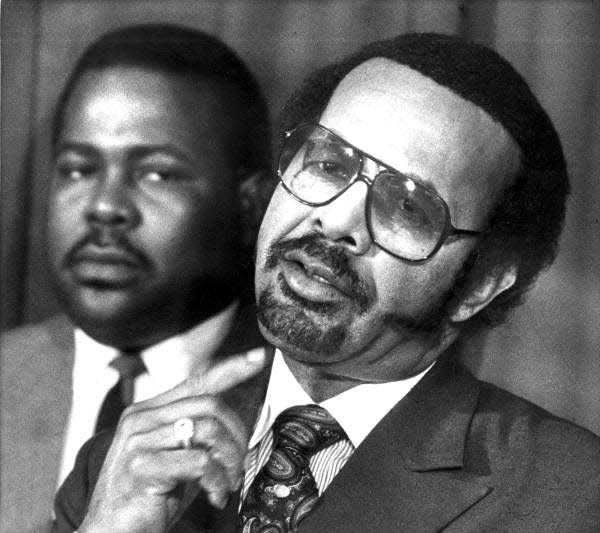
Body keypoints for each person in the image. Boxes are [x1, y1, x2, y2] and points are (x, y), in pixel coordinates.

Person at [53, 33, 600, 533]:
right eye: (327, 164)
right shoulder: (124, 461)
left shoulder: (565, 496)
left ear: (481, 285)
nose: (336, 221)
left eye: (407, 207)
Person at [0, 24, 272, 533]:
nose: (104, 207)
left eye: (157, 173)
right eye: (79, 169)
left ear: (252, 206)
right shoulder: (8, 378)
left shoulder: (300, 407)